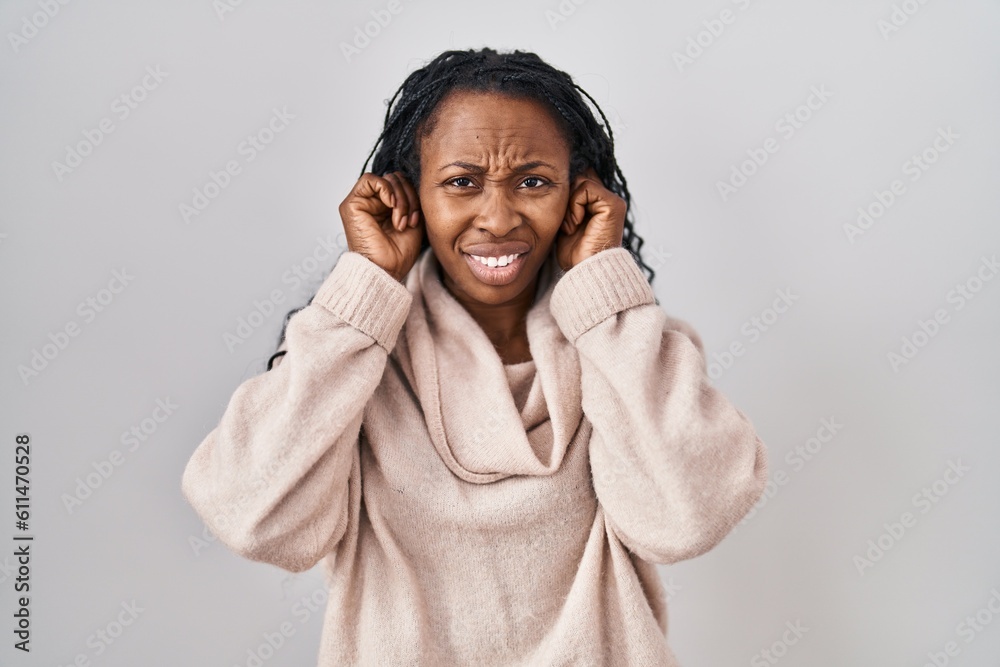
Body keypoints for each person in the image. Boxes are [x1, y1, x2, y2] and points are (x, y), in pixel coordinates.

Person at [182, 46, 768, 666]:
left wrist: (601, 284)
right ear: (409, 194)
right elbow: (255, 518)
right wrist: (362, 288)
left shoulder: (630, 350)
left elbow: (690, 520)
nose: (497, 217)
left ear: (580, 194)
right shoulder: (352, 361)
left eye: (534, 182)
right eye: (462, 182)